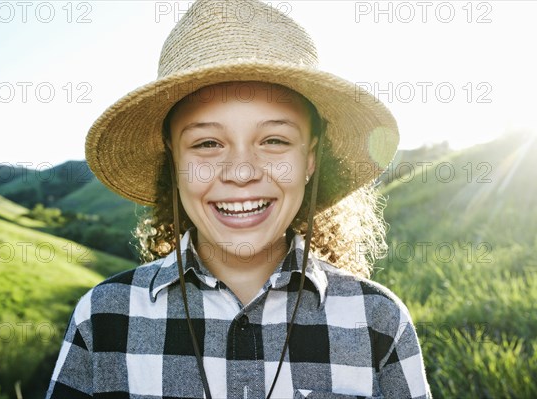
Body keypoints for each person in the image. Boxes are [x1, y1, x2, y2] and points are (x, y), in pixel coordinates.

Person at [46, 0, 431, 398]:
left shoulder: (378, 322)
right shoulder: (104, 319)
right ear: (173, 159)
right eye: (208, 143)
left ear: (310, 158)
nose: (242, 171)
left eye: (275, 140)